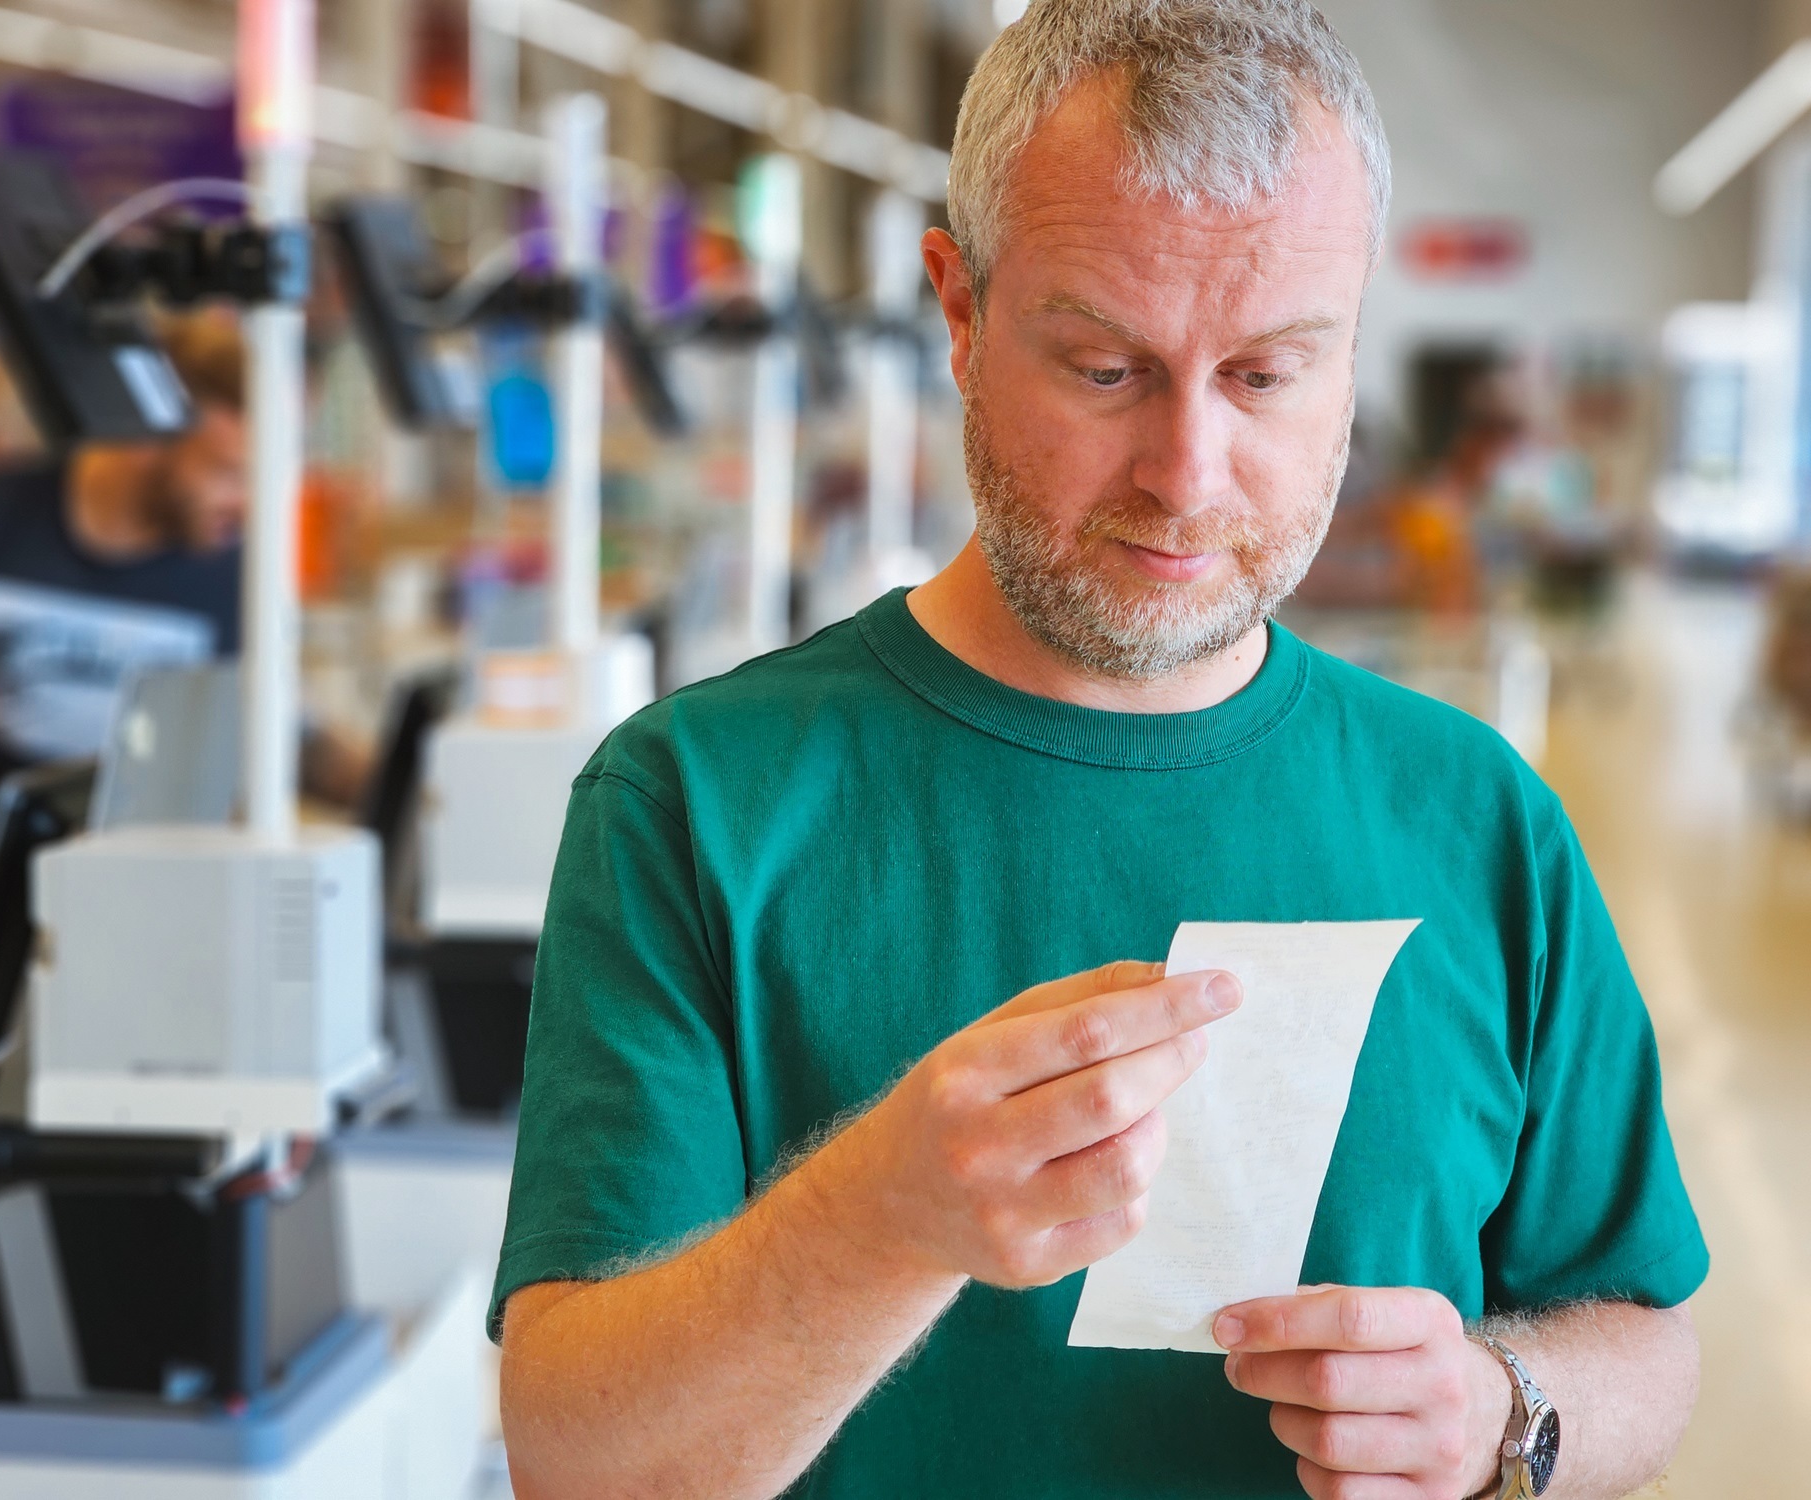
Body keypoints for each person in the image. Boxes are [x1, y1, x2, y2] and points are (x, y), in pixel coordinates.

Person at [492, 4, 1707, 1498]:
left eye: (1266, 376)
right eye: (1105, 368)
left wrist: (1502, 1405)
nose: (1186, 476)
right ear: (959, 309)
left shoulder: (1479, 818)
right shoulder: (694, 806)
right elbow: (576, 1462)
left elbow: (1648, 1337)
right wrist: (876, 1223)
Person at [0, 315, 356, 1063]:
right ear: (145, 434)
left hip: (132, 974)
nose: (251, 508)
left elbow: (266, 740)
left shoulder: (240, 576)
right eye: (231, 473)